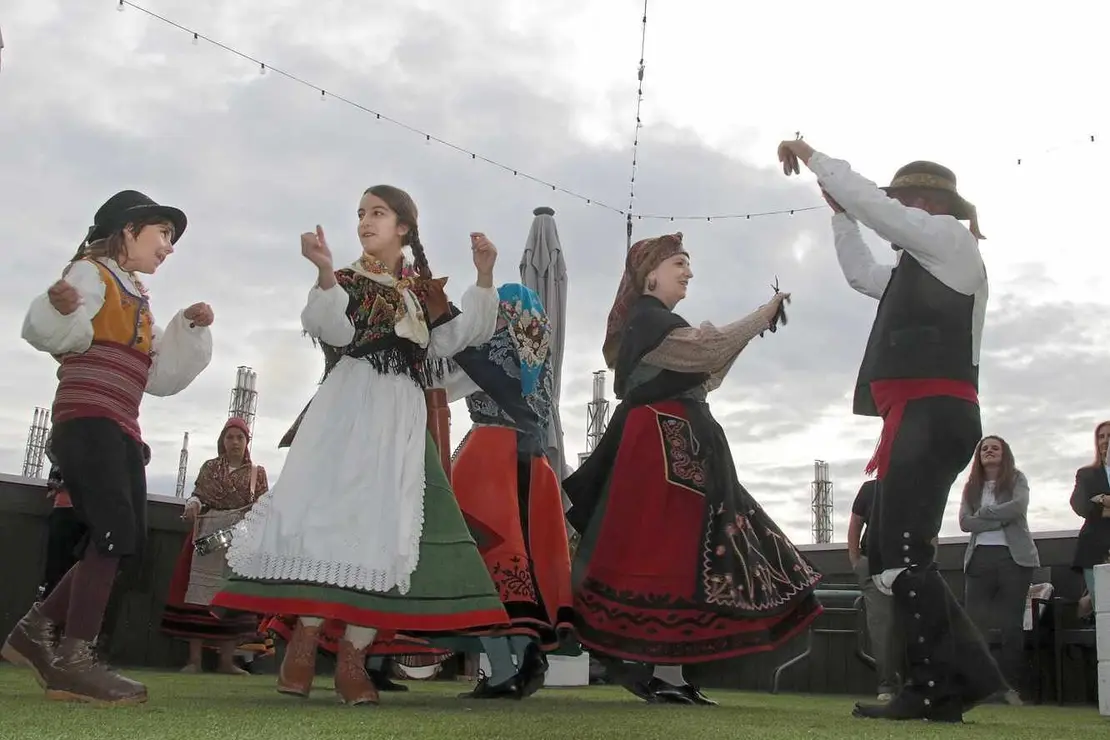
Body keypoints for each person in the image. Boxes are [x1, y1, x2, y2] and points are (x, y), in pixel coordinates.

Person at [212, 185, 509, 706]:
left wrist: (484, 276)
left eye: (378, 213)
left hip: (401, 417)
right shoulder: (349, 280)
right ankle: (303, 640)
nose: (365, 222)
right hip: (348, 407)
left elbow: (454, 338)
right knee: (326, 515)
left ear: (403, 228)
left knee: (384, 525)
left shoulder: (423, 291)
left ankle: (353, 655)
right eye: (360, 214)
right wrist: (325, 272)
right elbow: (330, 326)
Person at [777, 138, 1010, 722]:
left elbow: (880, 213)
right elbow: (862, 276)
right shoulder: (922, 266)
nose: (896, 212)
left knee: (900, 553)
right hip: (922, 418)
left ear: (928, 205)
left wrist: (814, 157)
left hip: (934, 415)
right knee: (890, 553)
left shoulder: (952, 244)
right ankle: (949, 682)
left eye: (904, 202)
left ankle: (940, 685)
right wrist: (840, 219)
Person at [563, 232, 823, 706]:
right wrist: (760, 315)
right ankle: (663, 671)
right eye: (679, 263)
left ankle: (670, 672)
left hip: (675, 438)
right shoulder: (650, 319)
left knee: (680, 552)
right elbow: (707, 348)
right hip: (663, 443)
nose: (688, 272)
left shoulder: (657, 323)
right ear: (650, 275)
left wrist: (751, 328)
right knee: (673, 549)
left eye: (688, 265)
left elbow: (708, 359)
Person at [2, 190, 214, 705]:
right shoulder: (90, 274)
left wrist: (186, 328)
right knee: (115, 533)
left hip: (119, 425)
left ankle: (36, 633)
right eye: (162, 233)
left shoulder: (134, 295)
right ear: (127, 230)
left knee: (124, 535)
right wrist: (58, 308)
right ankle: (72, 660)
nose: (169, 246)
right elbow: (62, 333)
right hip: (89, 419)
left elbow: (158, 376)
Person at [443, 282, 575, 699]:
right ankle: (528, 649)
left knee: (478, 563)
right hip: (533, 461)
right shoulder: (540, 355)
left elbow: (448, 370)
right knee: (524, 565)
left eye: (497, 310)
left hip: (489, 455)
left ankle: (502, 669)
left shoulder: (491, 347)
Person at [160, 417, 272, 675]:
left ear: (247, 442)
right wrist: (193, 504)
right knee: (197, 598)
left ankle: (226, 661)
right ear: (222, 441)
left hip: (239, 541)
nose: (234, 442)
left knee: (231, 598)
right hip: (207, 537)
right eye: (230, 437)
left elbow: (264, 508)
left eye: (240, 438)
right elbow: (199, 495)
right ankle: (195, 660)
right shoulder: (210, 468)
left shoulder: (258, 474)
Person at [958, 435, 1039, 698]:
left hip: (1014, 560)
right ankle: (978, 686)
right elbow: (965, 523)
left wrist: (985, 514)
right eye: (984, 448)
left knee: (1010, 625)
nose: (989, 451)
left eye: (995, 448)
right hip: (979, 559)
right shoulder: (971, 487)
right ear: (978, 456)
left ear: (1005, 454)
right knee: (975, 624)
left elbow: (1018, 508)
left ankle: (1009, 687)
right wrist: (997, 519)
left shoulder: (1017, 479)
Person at [847, 479, 900, 702]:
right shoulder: (870, 489)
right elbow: (855, 525)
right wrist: (856, 562)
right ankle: (885, 685)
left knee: (917, 625)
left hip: (913, 563)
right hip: (873, 563)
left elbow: (930, 527)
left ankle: (918, 683)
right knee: (881, 626)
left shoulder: (921, 483)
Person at [1069, 420, 1110, 611]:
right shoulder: (1086, 474)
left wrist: (1099, 499)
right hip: (1095, 550)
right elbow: (1080, 506)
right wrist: (1104, 501)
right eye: (1101, 436)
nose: (1105, 441)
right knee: (1103, 609)